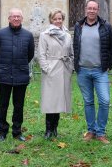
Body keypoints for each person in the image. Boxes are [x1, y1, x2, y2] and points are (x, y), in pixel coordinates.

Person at [73, 0, 112, 144]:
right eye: (89, 8)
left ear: (98, 10)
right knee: (88, 102)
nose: (91, 11)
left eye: (94, 8)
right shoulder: (79, 26)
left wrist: (109, 64)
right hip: (83, 71)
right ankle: (91, 130)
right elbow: (75, 46)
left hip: (100, 71)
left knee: (105, 101)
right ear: (85, 9)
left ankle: (101, 132)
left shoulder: (105, 26)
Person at [0, 8, 34, 142]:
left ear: (22, 19)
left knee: (19, 106)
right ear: (9, 18)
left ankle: (17, 132)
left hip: (21, 76)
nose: (16, 19)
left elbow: (30, 55)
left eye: (18, 16)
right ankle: (2, 131)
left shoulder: (28, 35)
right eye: (13, 16)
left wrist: (19, 65)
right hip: (4, 76)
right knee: (3, 105)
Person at [38, 8, 74, 139]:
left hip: (64, 70)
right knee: (50, 100)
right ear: (51, 20)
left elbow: (71, 53)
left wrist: (71, 67)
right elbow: (41, 54)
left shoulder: (68, 35)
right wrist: (46, 68)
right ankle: (48, 130)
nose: (58, 21)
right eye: (55, 18)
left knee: (59, 100)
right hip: (51, 70)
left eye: (60, 18)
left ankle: (55, 129)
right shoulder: (45, 35)